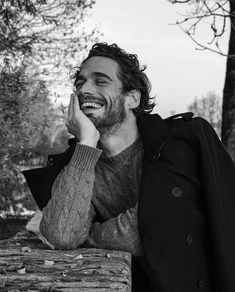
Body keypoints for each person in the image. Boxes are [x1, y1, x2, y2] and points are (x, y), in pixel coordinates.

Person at [23, 43, 235, 292]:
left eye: (100, 81)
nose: (84, 90)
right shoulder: (81, 161)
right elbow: (62, 235)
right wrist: (87, 143)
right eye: (80, 83)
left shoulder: (179, 145)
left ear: (132, 98)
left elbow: (147, 230)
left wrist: (87, 235)